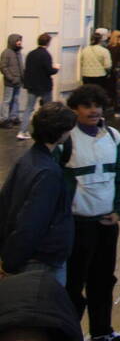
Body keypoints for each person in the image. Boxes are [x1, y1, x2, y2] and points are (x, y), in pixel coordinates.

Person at [60, 84, 120, 341]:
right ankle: (70, 334)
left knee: (103, 280)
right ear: (75, 109)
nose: (93, 111)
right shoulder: (66, 140)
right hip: (77, 224)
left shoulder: (112, 136)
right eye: (87, 106)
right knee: (73, 284)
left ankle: (102, 330)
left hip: (105, 223)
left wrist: (119, 209)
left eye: (97, 105)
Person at [0, 102, 77, 284]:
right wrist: (10, 262)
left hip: (27, 256)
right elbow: (33, 221)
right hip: (41, 260)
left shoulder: (27, 160)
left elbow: (5, 204)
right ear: (62, 132)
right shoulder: (48, 172)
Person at [21, 34, 60, 140]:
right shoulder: (46, 55)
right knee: (48, 109)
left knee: (28, 108)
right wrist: (56, 68)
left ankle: (22, 131)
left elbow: (28, 70)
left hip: (32, 85)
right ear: (48, 43)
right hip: (44, 86)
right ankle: (46, 130)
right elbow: (49, 71)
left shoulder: (31, 54)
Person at [0, 34, 24, 130]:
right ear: (13, 41)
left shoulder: (18, 53)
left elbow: (21, 67)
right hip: (10, 82)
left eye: (20, 41)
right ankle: (3, 119)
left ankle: (13, 117)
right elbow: (3, 67)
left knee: (15, 100)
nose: (20, 42)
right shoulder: (6, 52)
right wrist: (11, 78)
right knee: (7, 101)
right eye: (18, 40)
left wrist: (22, 78)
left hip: (18, 81)